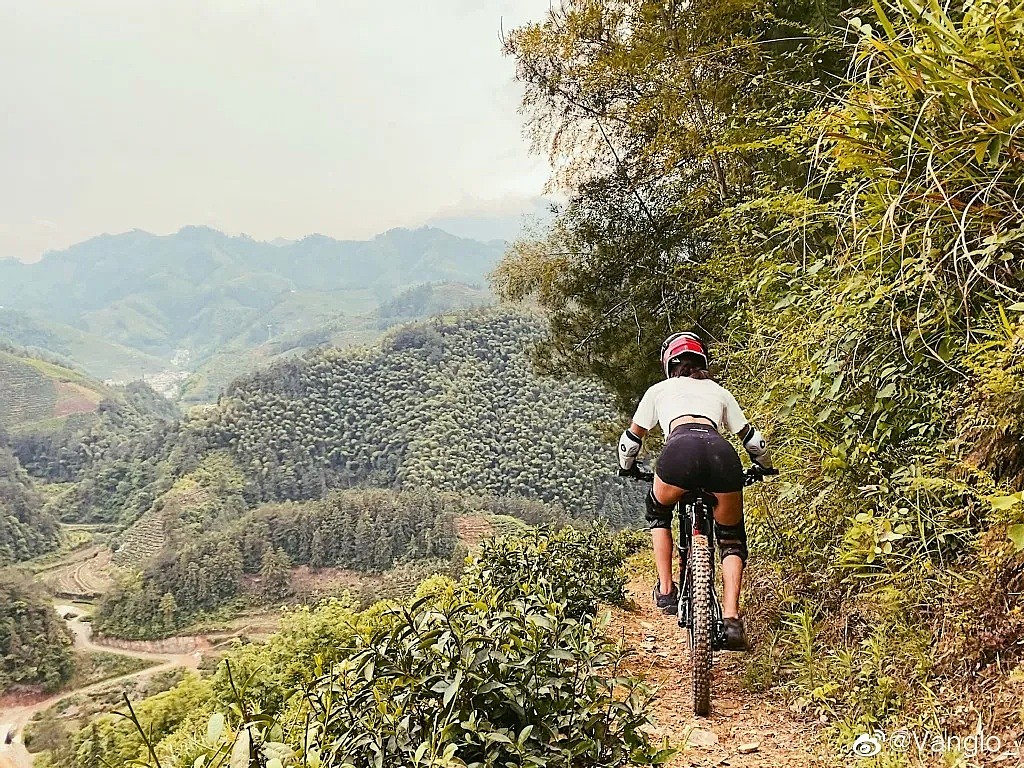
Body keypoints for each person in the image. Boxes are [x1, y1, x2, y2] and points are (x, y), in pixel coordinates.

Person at [617, 332, 774, 651]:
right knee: (731, 538)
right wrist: (763, 466)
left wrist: (629, 467)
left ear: (668, 364)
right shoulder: (719, 391)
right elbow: (754, 441)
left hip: (679, 454)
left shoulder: (658, 391)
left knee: (658, 511)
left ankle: (665, 590)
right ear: (702, 361)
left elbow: (630, 442)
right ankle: (731, 620)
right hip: (721, 455)